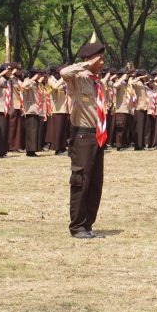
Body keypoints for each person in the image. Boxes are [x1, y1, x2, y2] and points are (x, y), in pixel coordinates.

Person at [60, 42, 108, 239]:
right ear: (90, 59)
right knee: (81, 181)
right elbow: (64, 72)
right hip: (83, 135)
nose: (103, 62)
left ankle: (88, 225)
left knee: (96, 183)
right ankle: (77, 226)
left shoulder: (98, 82)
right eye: (100, 59)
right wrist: (85, 65)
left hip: (98, 136)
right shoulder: (78, 79)